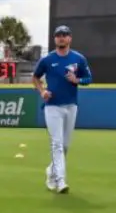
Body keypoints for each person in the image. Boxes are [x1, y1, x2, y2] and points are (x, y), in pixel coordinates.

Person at [32, 25, 92, 193]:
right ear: (54, 39)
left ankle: (51, 171)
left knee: (65, 145)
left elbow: (89, 78)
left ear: (70, 38)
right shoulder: (47, 60)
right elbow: (35, 77)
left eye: (65, 35)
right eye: (58, 35)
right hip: (52, 106)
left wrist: (77, 80)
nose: (61, 38)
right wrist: (42, 91)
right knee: (57, 144)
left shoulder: (78, 58)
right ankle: (60, 180)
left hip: (71, 105)